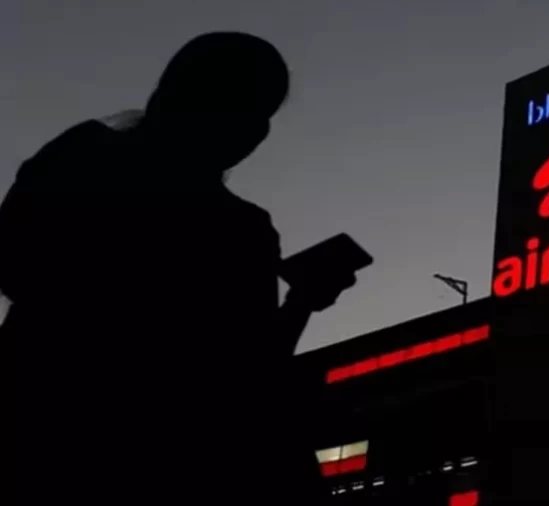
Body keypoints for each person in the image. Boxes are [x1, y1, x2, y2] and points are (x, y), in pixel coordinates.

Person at [3, 32, 355, 504]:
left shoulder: (80, 155)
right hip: (177, 461)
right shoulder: (239, 230)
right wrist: (303, 300)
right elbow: (247, 378)